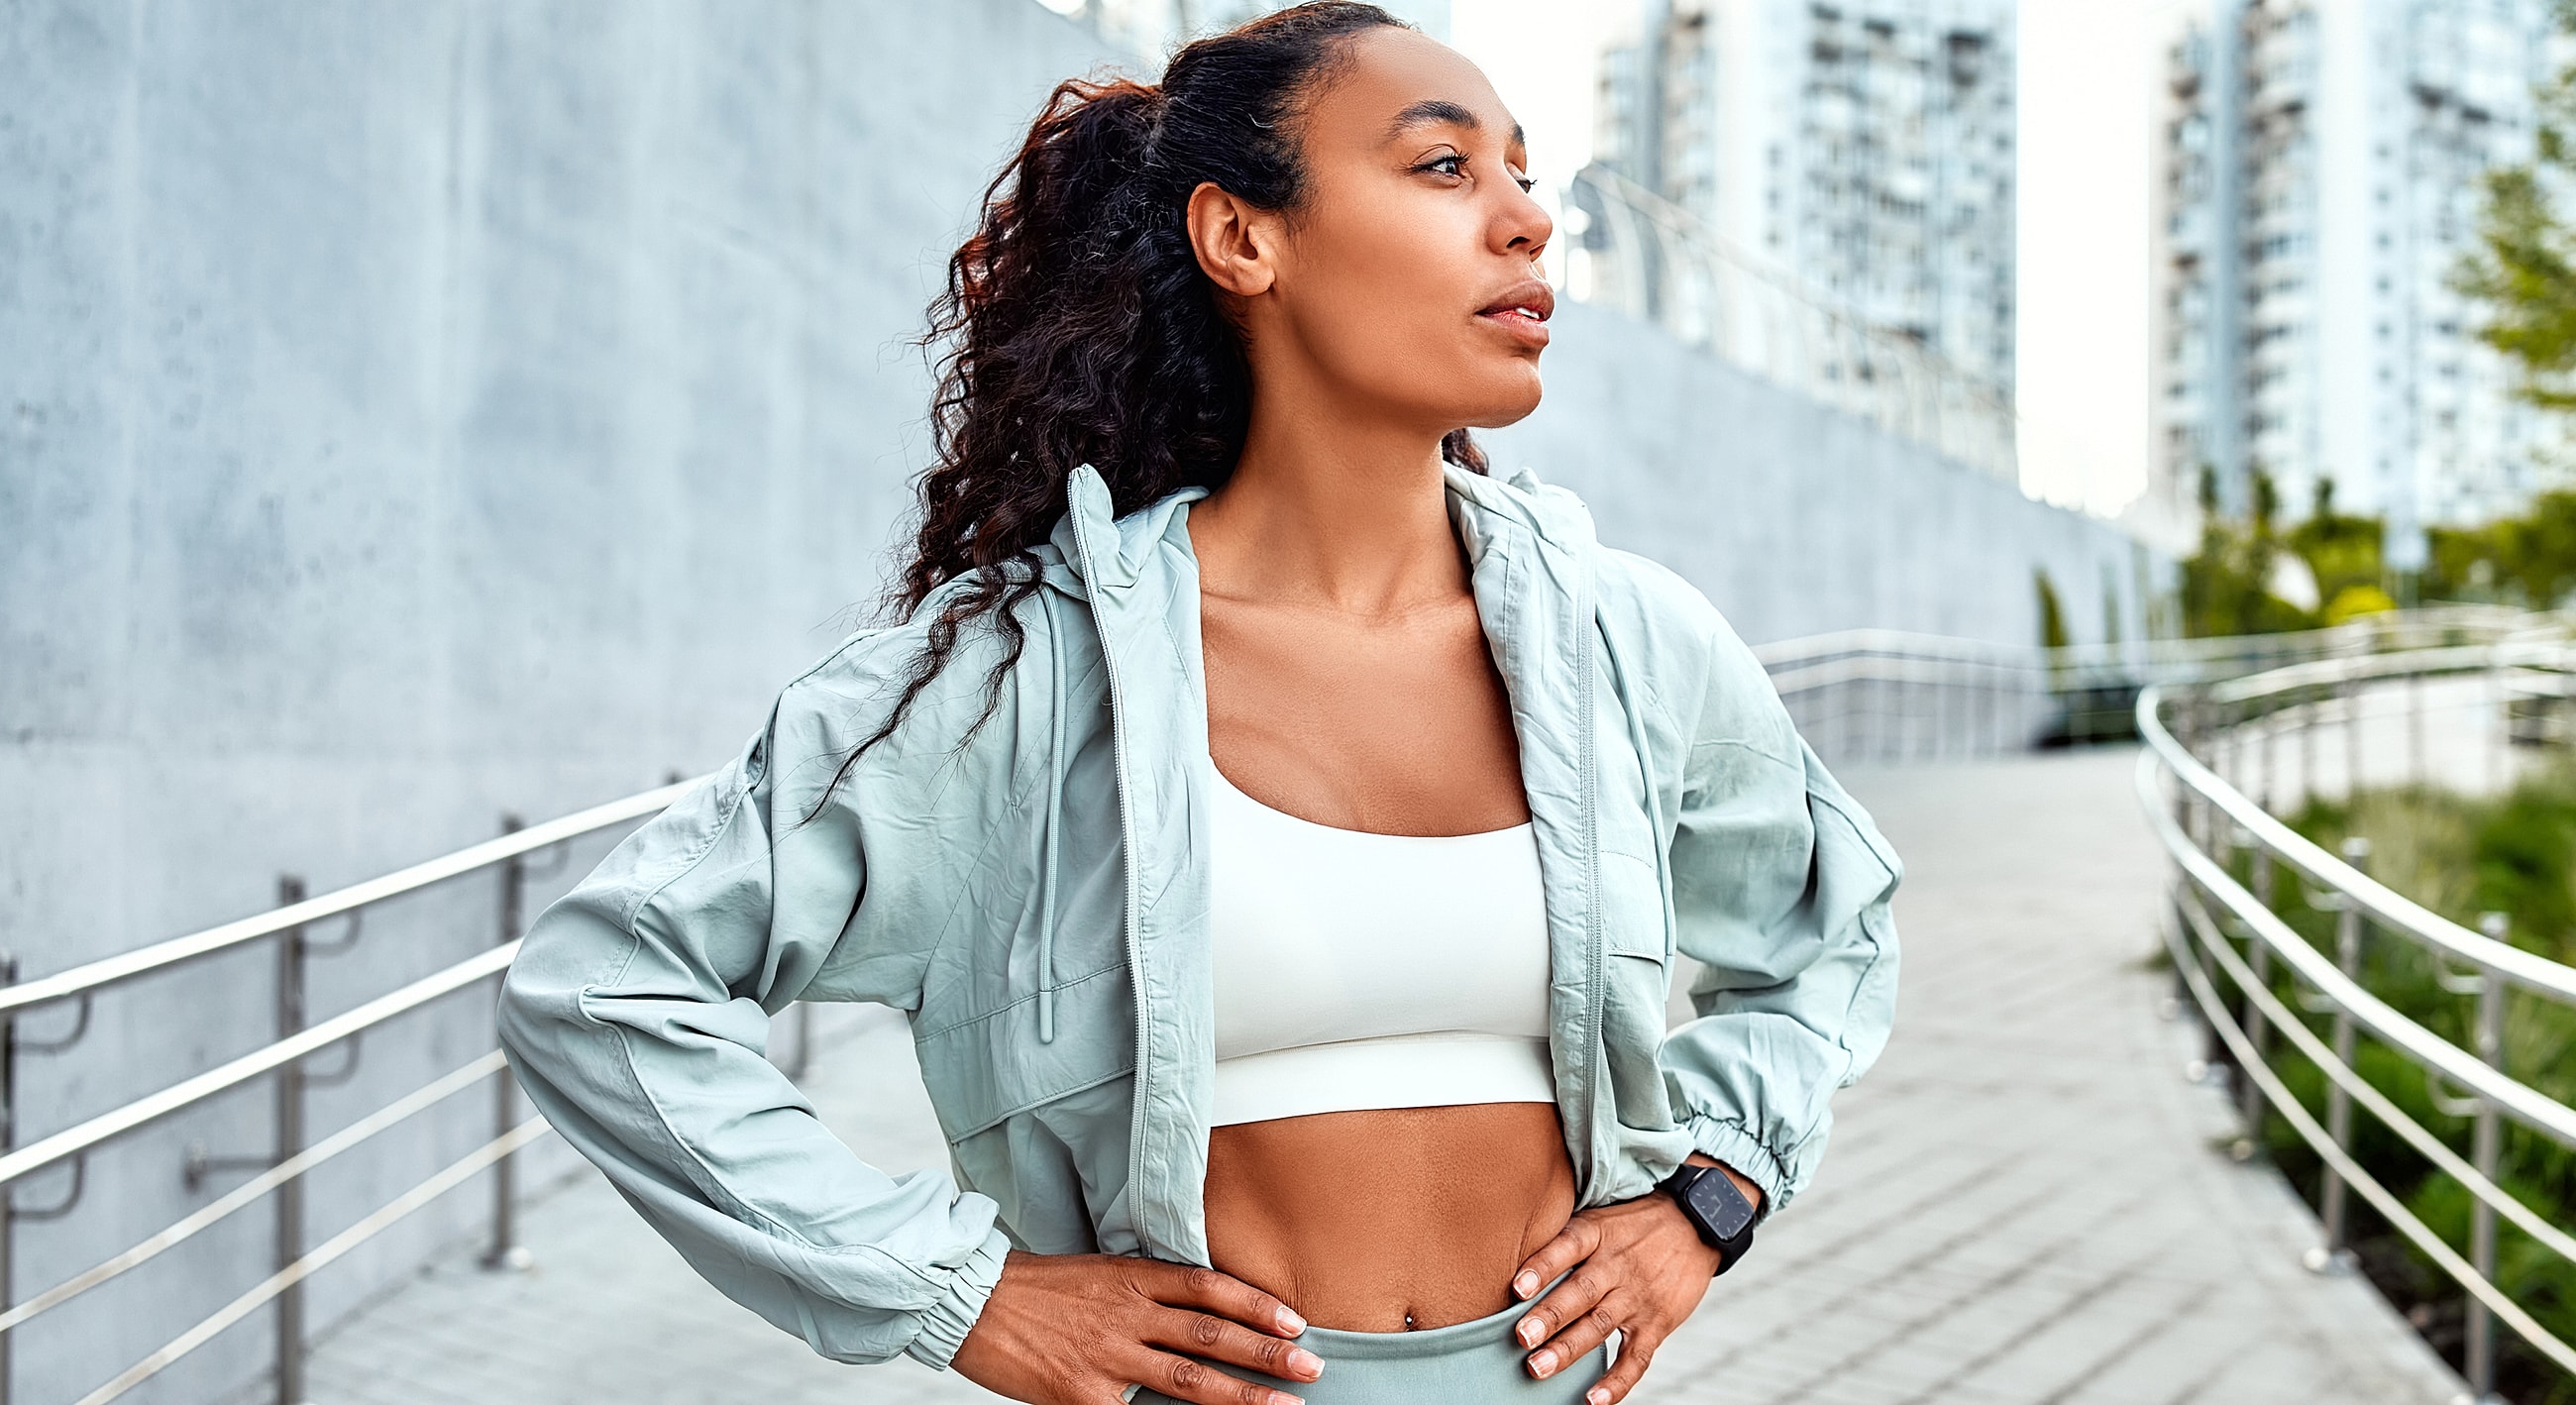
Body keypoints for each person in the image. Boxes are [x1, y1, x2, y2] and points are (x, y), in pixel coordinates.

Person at [494, 5, 1902, 1403]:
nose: (1528, 219)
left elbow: (1828, 932)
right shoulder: (1024, 678)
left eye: (1525, 172)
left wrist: (1707, 1201)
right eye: (1443, 167)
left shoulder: (1625, 639)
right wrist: (955, 1290)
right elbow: (607, 986)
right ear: (1243, 239)